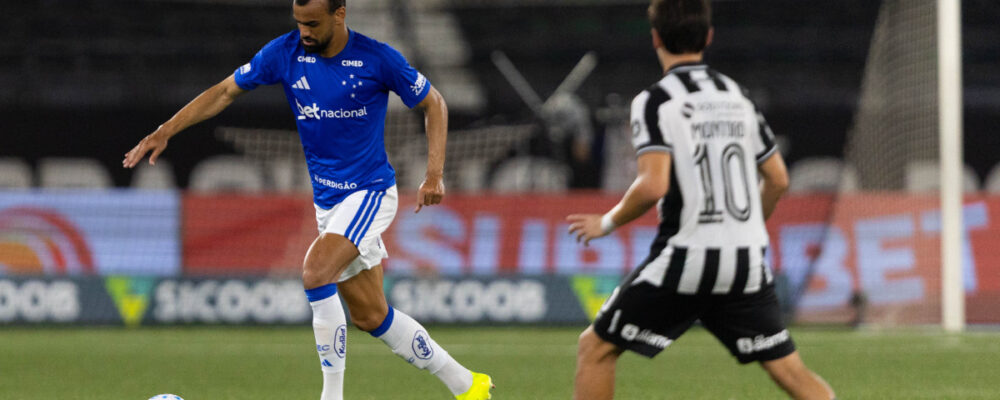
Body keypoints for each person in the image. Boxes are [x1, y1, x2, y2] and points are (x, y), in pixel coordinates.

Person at [122, 1, 493, 399]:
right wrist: (166, 129)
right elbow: (226, 91)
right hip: (329, 205)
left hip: (369, 193)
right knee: (371, 315)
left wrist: (433, 173)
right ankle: (468, 385)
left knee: (316, 272)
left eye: (313, 24)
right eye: (299, 23)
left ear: (340, 14)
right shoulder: (285, 53)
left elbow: (433, 102)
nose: (305, 33)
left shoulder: (377, 58)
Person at [566, 1, 835, 399]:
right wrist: (747, 229)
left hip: (689, 257)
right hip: (745, 262)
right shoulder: (737, 96)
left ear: (655, 38)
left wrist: (606, 223)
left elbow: (653, 185)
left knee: (596, 348)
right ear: (708, 37)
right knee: (790, 371)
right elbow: (777, 178)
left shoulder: (655, 101)